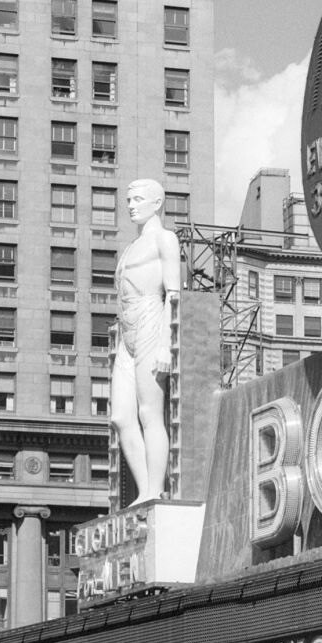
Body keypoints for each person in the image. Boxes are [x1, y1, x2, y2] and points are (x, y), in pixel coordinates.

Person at [112, 178, 184, 505]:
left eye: (138, 199)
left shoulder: (165, 239)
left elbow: (174, 294)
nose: (131, 205)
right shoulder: (130, 248)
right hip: (125, 330)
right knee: (120, 418)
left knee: (149, 412)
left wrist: (166, 343)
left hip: (150, 318)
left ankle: (153, 491)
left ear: (157, 203)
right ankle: (145, 490)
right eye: (129, 199)